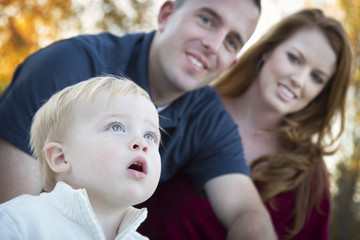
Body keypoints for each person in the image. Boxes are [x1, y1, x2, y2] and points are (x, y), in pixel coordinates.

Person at [0, 0, 277, 239]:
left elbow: (246, 210)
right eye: (206, 20)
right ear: (166, 14)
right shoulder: (68, 67)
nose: (214, 45)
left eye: (231, 42)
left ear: (231, 63)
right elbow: (11, 204)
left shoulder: (209, 117)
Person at [136, 8, 354, 240]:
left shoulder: (309, 176)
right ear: (268, 51)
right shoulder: (187, 108)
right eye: (294, 58)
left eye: (316, 77)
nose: (299, 80)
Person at [0, 76, 162, 239]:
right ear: (61, 158)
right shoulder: (20, 222)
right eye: (116, 127)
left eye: (150, 136)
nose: (142, 143)